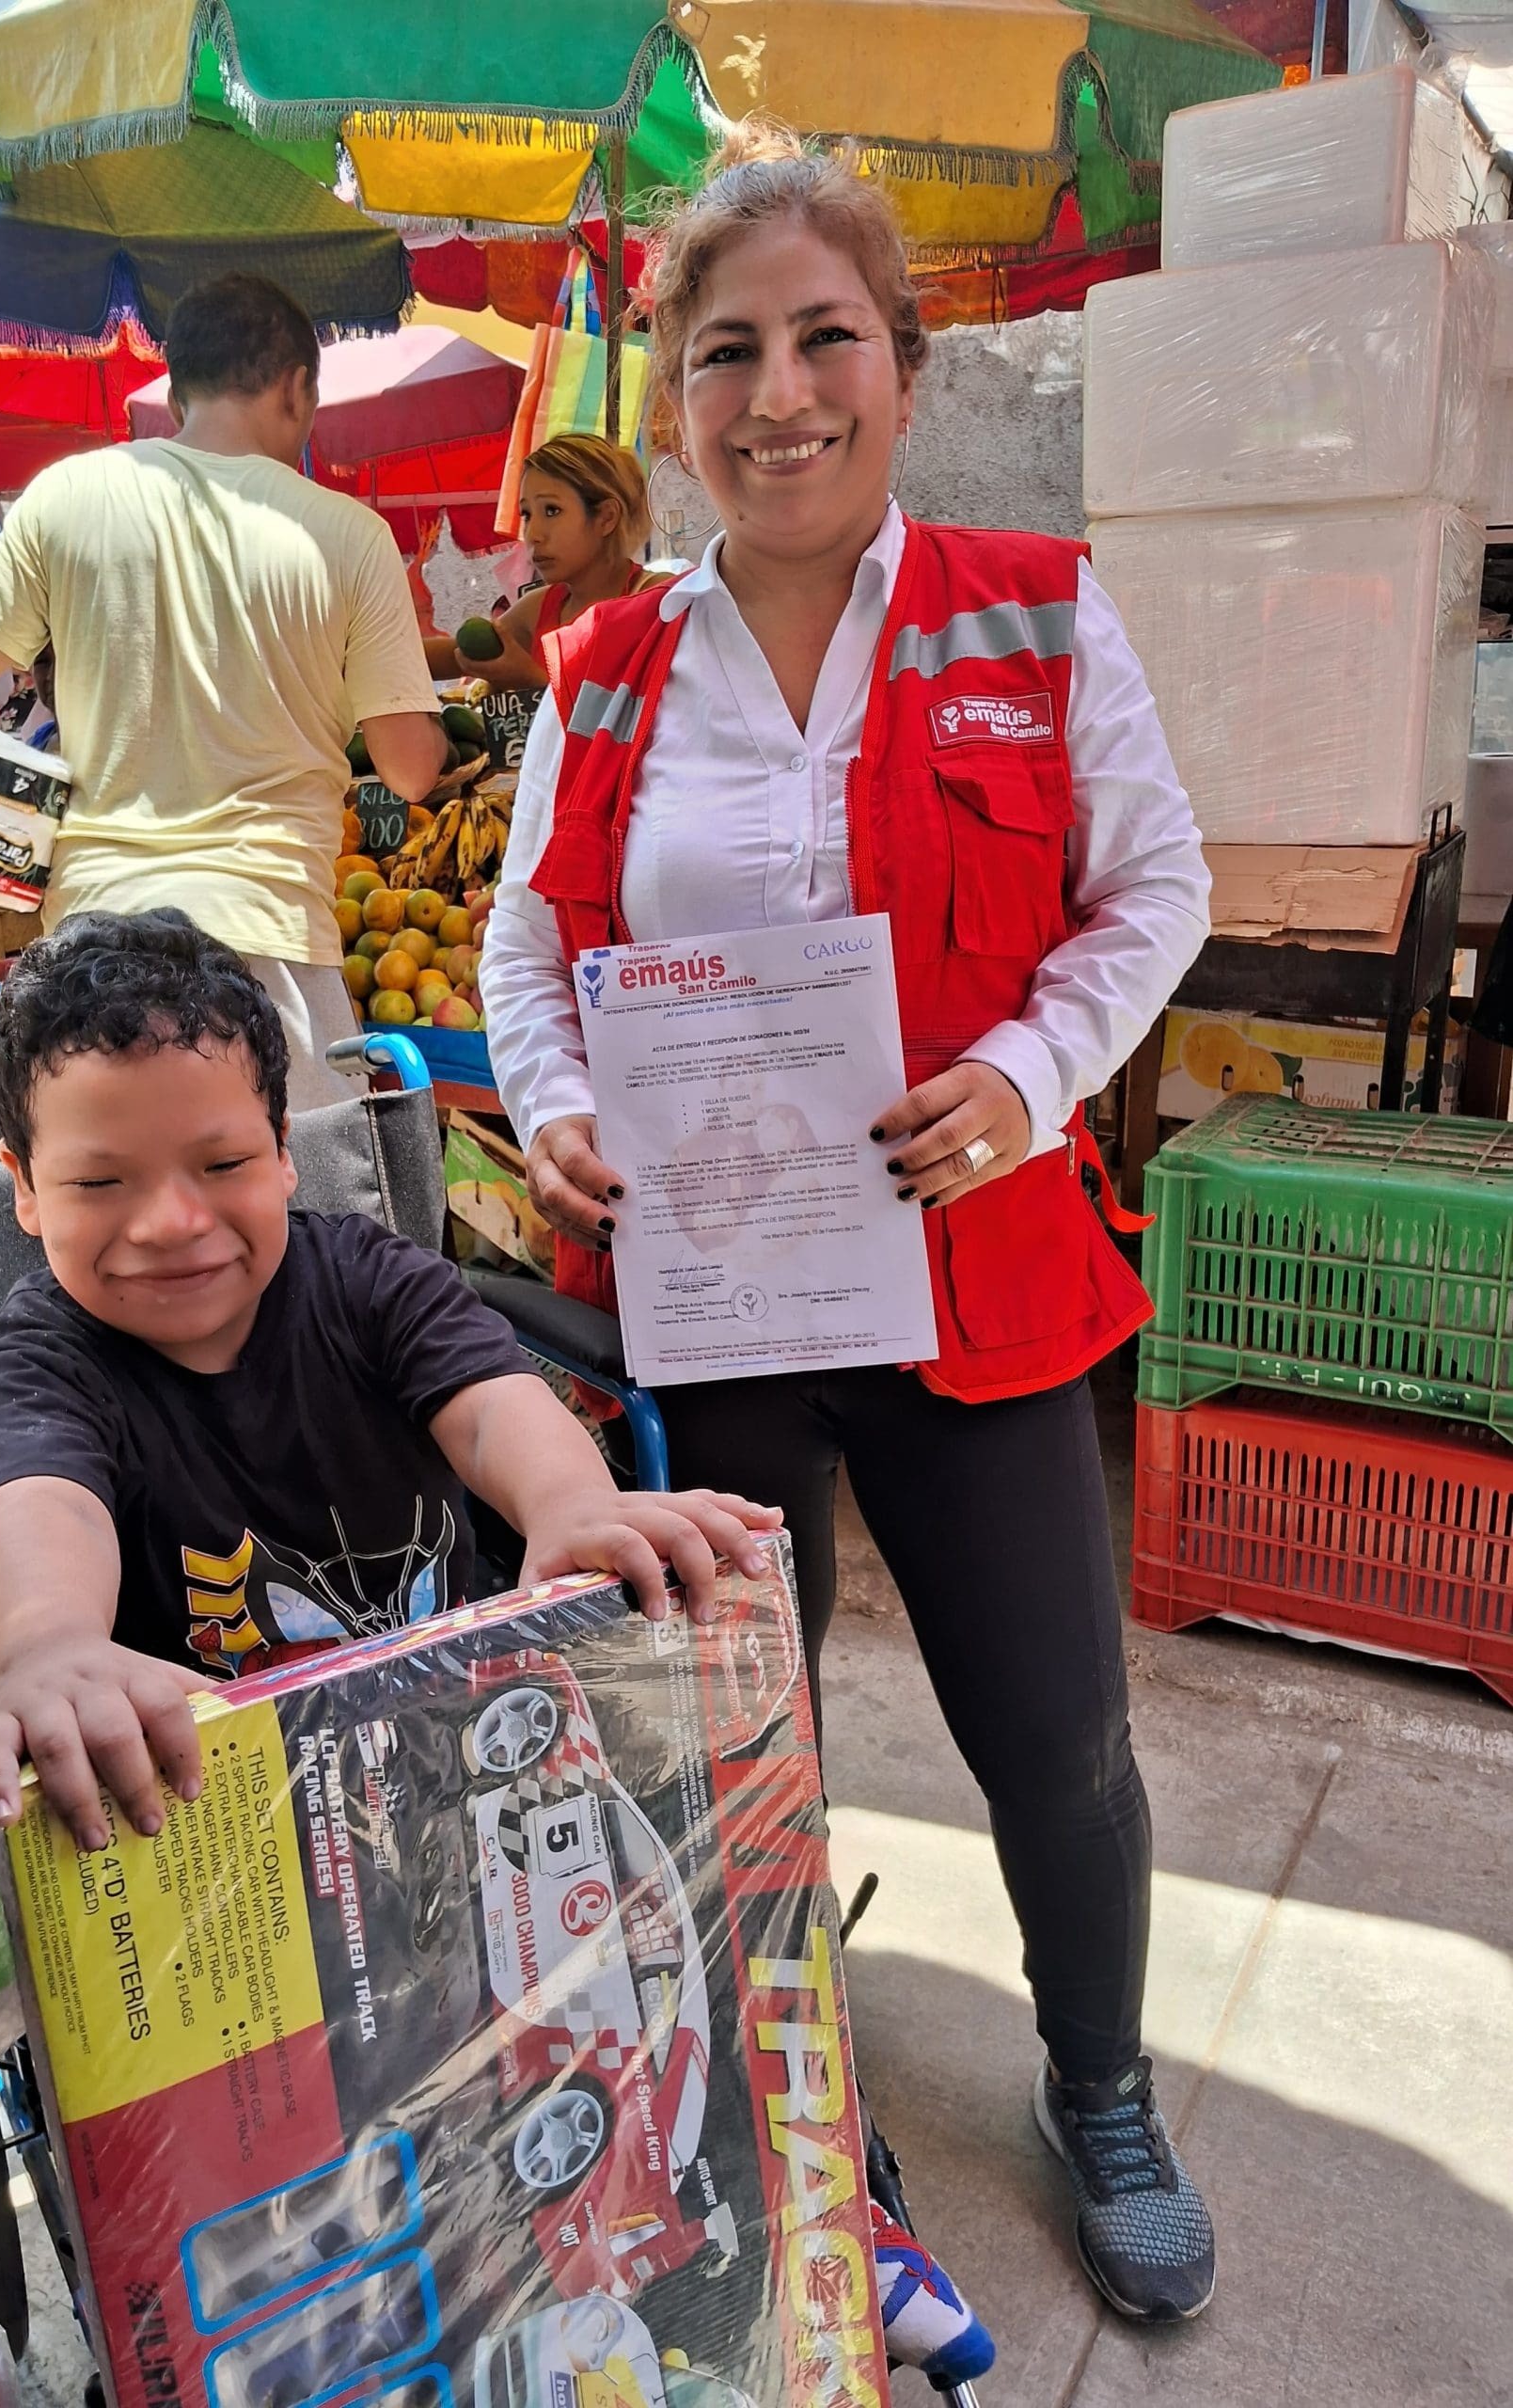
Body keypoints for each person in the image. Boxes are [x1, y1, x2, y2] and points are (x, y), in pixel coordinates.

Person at [480, 122, 1217, 2325]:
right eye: (726, 352)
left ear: (902, 363)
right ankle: (807, 2099)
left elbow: (1153, 886)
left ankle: (1101, 2081)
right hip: (714, 1293)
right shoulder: (604, 663)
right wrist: (556, 1101)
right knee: (745, 1726)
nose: (777, 393)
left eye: (823, 339)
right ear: (671, 395)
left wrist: (1028, 1075)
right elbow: (528, 938)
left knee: (1055, 1728)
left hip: (975, 1273)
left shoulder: (1033, 608)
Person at [0, 908, 784, 1851]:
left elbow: (489, 1407)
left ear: (283, 1153)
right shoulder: (35, 1367)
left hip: (467, 1755)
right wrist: (50, 1644)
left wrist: (571, 1502)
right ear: (25, 1187)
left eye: (222, 1163)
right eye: (101, 1183)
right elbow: (41, 1504)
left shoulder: (370, 1280)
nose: (172, 1222)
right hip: (221, 1820)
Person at [0, 273, 447, 1110]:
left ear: (177, 388)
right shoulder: (349, 536)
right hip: (270, 953)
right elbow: (408, 768)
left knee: (107, 1194)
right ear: (298, 388)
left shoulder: (66, 495)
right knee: (286, 1190)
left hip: (90, 954)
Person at [424, 436, 663, 692]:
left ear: (606, 517)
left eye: (552, 511)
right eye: (527, 515)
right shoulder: (540, 607)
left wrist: (532, 682)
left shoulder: (659, 601)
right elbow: (450, 655)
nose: (533, 534)